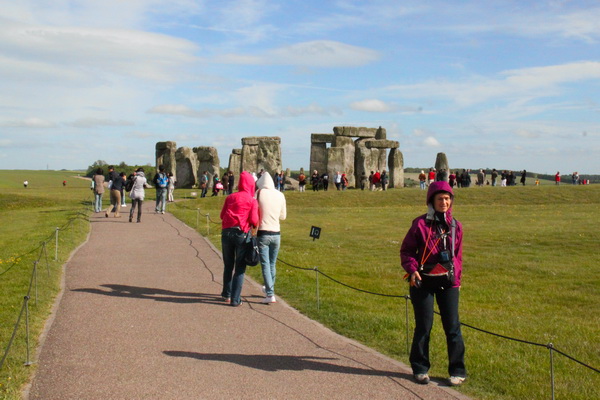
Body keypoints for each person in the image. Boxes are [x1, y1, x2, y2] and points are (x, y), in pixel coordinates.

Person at [400, 181, 466, 387]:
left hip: (449, 282)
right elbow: (407, 251)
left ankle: (457, 370)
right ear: (431, 201)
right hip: (423, 280)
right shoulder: (419, 224)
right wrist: (412, 270)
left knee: (453, 327)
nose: (444, 202)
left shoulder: (456, 226)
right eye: (440, 199)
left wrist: (458, 280)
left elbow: (458, 256)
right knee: (424, 326)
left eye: (447, 198)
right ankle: (420, 368)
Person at [220, 171, 259, 307]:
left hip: (226, 233)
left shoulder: (230, 197)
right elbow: (254, 220)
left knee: (228, 265)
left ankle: (227, 294)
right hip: (240, 233)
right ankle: (235, 299)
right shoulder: (251, 200)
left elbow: (221, 215)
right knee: (240, 267)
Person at [255, 172, 287, 304]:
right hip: (276, 232)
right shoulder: (280, 194)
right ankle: (270, 288)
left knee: (265, 264)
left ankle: (270, 293)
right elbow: (283, 216)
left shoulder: (258, 193)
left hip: (263, 232)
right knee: (272, 264)